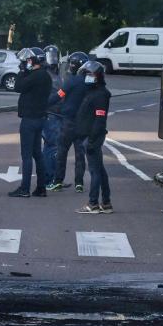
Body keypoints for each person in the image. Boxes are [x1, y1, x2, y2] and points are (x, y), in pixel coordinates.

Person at [9, 47, 51, 198]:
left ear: (33, 61)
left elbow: (18, 87)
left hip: (29, 119)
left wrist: (21, 71)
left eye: (28, 60)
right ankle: (41, 187)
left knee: (26, 155)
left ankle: (24, 188)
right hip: (40, 118)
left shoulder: (34, 76)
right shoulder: (45, 76)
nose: (26, 62)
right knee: (37, 154)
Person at [47, 52, 89, 192]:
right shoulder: (89, 82)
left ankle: (58, 181)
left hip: (68, 122)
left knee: (62, 151)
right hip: (83, 123)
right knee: (80, 154)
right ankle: (79, 183)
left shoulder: (71, 81)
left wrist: (44, 104)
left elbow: (59, 95)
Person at [75, 60, 112, 213]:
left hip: (92, 137)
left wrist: (91, 141)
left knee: (94, 171)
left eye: (90, 74)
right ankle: (107, 202)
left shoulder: (100, 95)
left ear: (98, 76)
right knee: (100, 170)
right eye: (86, 74)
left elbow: (99, 120)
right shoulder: (92, 91)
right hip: (88, 136)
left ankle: (93, 203)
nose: (87, 77)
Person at [41, 45, 63, 178]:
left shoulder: (56, 73)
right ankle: (49, 177)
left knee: (53, 147)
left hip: (57, 113)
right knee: (51, 146)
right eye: (51, 56)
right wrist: (62, 94)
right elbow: (50, 97)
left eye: (55, 55)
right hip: (51, 114)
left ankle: (52, 176)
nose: (53, 59)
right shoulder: (47, 74)